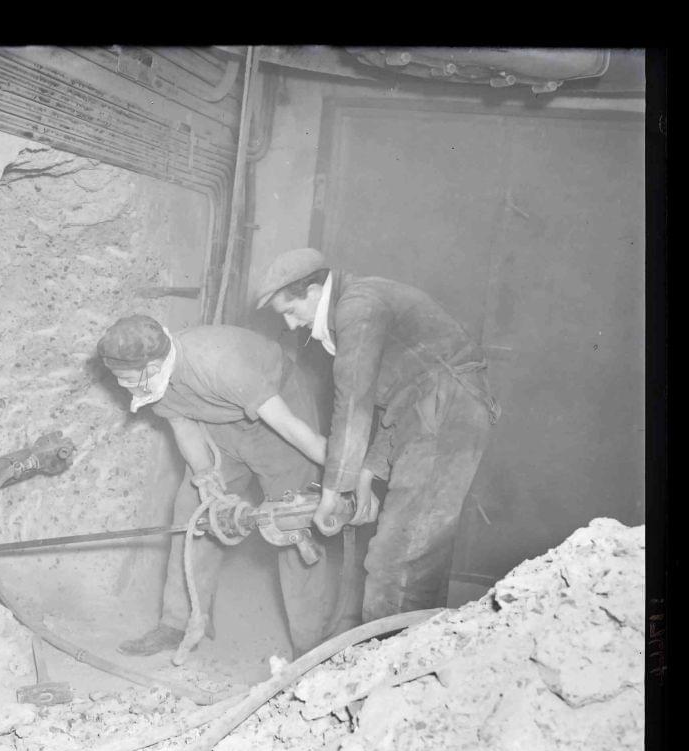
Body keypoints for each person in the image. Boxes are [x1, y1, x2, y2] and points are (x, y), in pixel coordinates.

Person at [255, 248, 501, 623]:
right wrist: (366, 478)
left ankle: (387, 671)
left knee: (394, 559)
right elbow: (396, 402)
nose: (291, 326)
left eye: (291, 311)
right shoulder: (354, 306)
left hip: (447, 409)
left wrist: (333, 492)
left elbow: (353, 403)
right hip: (434, 410)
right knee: (420, 555)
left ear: (315, 290)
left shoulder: (358, 306)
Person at [97, 314, 334, 659]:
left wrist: (342, 473)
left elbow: (295, 430)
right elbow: (182, 424)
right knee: (192, 512)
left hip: (280, 417)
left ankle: (312, 648)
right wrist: (206, 476)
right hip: (222, 423)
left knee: (291, 522)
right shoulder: (154, 381)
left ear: (151, 365)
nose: (124, 387)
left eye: (128, 379)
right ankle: (177, 623)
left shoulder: (220, 363)